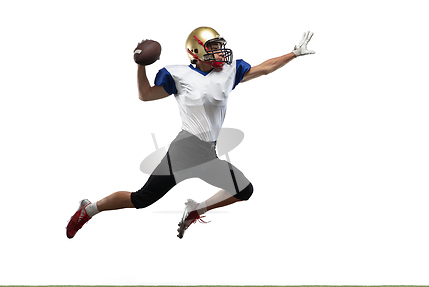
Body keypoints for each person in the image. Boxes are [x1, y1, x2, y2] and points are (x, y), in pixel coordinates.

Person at [66, 27, 315, 239]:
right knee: (141, 199)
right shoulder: (178, 74)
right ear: (196, 50)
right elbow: (145, 95)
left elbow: (265, 68)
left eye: (220, 45)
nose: (220, 51)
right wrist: (140, 66)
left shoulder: (228, 72)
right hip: (183, 152)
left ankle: (196, 209)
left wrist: (293, 53)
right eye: (214, 46)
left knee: (244, 191)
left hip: (207, 153)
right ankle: (88, 210)